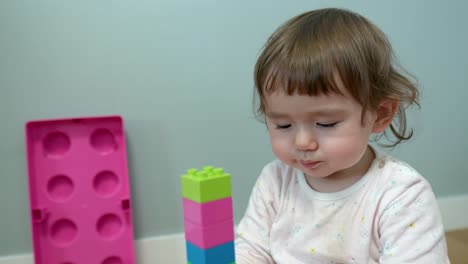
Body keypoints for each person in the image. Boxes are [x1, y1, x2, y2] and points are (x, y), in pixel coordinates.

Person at [235, 7, 449, 263]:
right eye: (283, 125)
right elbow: (251, 250)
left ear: (379, 114)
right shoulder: (275, 181)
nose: (302, 142)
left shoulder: (402, 195)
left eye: (325, 124)